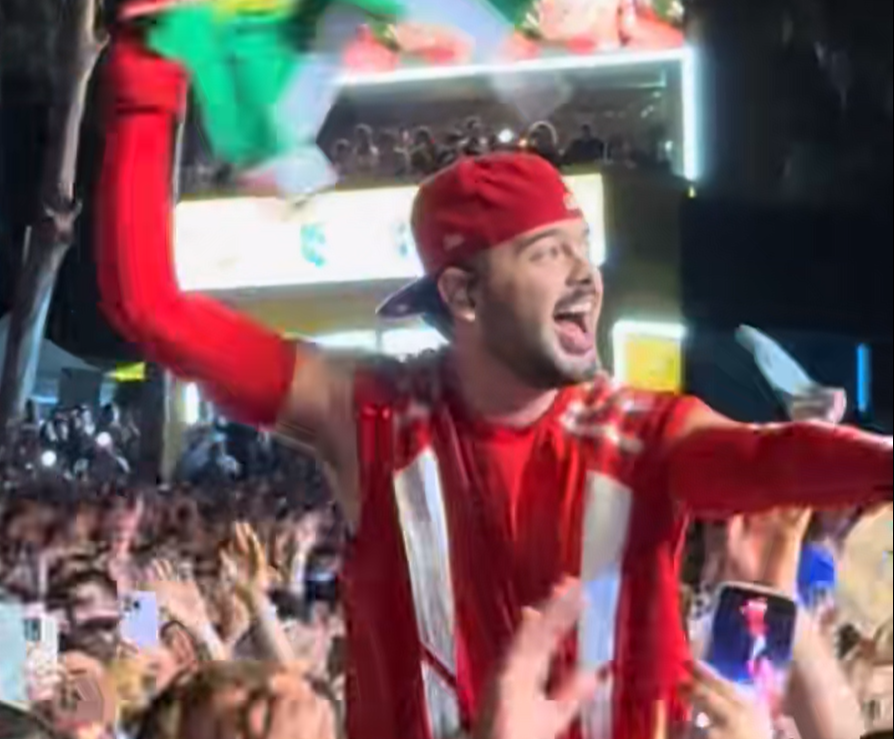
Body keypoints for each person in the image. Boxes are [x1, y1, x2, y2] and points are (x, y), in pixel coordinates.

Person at [96, 30, 892, 739]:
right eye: (548, 252)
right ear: (463, 295)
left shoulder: (642, 433)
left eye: (583, 245)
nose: (586, 273)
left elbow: (770, 459)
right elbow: (150, 308)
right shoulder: (369, 415)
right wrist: (147, 71)